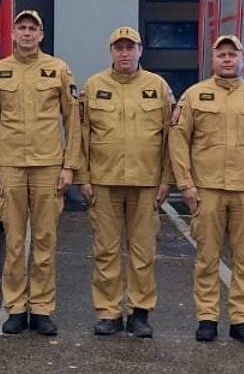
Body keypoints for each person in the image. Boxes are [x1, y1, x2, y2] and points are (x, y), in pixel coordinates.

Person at [170, 34, 244, 345]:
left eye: (232, 55)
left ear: (241, 59)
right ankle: (207, 317)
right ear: (213, 59)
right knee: (206, 258)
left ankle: (241, 318)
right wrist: (186, 184)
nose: (226, 59)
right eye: (221, 54)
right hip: (207, 191)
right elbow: (178, 142)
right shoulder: (194, 96)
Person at [74, 26, 172, 338]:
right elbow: (81, 136)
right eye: (119, 48)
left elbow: (172, 138)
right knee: (105, 250)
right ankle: (108, 312)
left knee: (143, 251)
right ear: (111, 52)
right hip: (104, 182)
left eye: (131, 47)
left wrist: (167, 179)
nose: (125, 53)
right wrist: (83, 178)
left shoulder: (157, 87)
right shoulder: (93, 86)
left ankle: (140, 313)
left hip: (146, 182)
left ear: (141, 50)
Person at [0, 10, 79, 336]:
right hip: (10, 165)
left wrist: (69, 165)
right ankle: (15, 307)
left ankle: (41, 308)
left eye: (33, 29)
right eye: (21, 28)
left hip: (48, 165)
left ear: (41, 34)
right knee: (13, 241)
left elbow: (73, 120)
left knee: (44, 239)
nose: (26, 33)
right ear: (13, 33)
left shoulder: (58, 69)